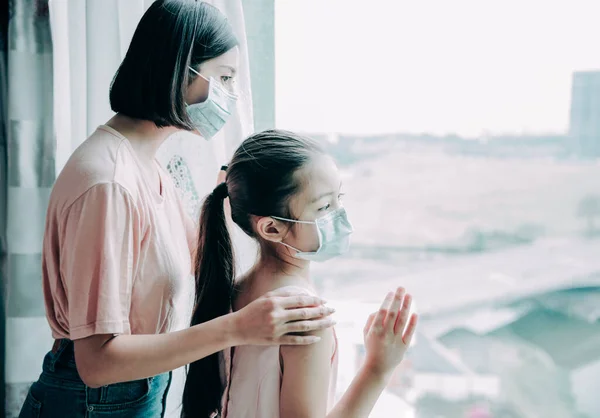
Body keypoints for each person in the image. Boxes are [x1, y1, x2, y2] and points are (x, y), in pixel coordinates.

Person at [19, 2, 334, 417]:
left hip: (130, 393)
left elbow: (191, 261)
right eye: (224, 78)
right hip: (93, 401)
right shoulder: (109, 183)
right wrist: (239, 328)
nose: (230, 95)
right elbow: (97, 363)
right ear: (180, 70)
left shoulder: (146, 165)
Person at [182, 130, 418, 418]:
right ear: (271, 228)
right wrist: (378, 368)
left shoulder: (233, 292)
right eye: (324, 206)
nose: (340, 215)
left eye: (338, 198)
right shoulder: (304, 316)